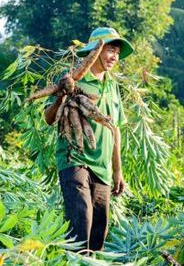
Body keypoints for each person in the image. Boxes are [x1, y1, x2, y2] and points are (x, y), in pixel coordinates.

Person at [44, 27, 134, 251]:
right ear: (95, 50)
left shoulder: (112, 86)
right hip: (74, 159)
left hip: (102, 166)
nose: (114, 56)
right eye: (109, 50)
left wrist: (117, 171)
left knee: (97, 233)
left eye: (116, 52)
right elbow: (48, 117)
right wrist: (62, 96)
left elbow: (115, 129)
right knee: (81, 223)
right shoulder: (72, 78)